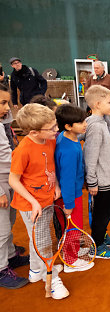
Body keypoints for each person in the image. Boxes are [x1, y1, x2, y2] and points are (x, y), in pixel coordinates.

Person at [8, 103, 69, 299]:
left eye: (55, 125)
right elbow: (13, 180)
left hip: (48, 199)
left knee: (39, 238)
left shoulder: (49, 140)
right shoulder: (23, 149)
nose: (56, 130)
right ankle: (49, 279)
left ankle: (36, 270)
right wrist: (33, 202)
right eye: (52, 128)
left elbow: (49, 167)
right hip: (31, 205)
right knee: (42, 242)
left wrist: (57, 186)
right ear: (34, 132)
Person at [83, 85, 110, 259]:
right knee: (102, 213)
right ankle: (97, 245)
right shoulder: (95, 126)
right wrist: (92, 181)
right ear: (98, 104)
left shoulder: (101, 122)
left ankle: (102, 236)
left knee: (106, 212)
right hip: (100, 182)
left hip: (106, 178)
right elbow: (90, 156)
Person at [54, 104, 94, 273]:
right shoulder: (68, 149)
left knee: (72, 227)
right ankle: (70, 260)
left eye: (84, 120)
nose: (85, 124)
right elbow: (67, 179)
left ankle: (74, 250)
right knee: (72, 227)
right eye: (80, 122)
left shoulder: (69, 137)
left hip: (73, 192)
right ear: (68, 126)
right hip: (69, 196)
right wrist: (69, 204)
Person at [0, 83, 29, 289]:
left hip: (9, 177)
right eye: (2, 103)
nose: (7, 107)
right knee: (1, 229)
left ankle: (10, 256)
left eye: (7, 102)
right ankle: (1, 270)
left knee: (9, 221)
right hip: (1, 183)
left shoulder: (2, 123)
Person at [85, 61, 110, 147]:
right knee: (94, 123)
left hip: (105, 106)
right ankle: (94, 141)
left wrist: (109, 102)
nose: (95, 70)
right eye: (94, 68)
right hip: (94, 107)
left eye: (97, 68)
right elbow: (86, 90)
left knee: (109, 123)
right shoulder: (91, 78)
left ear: (103, 68)